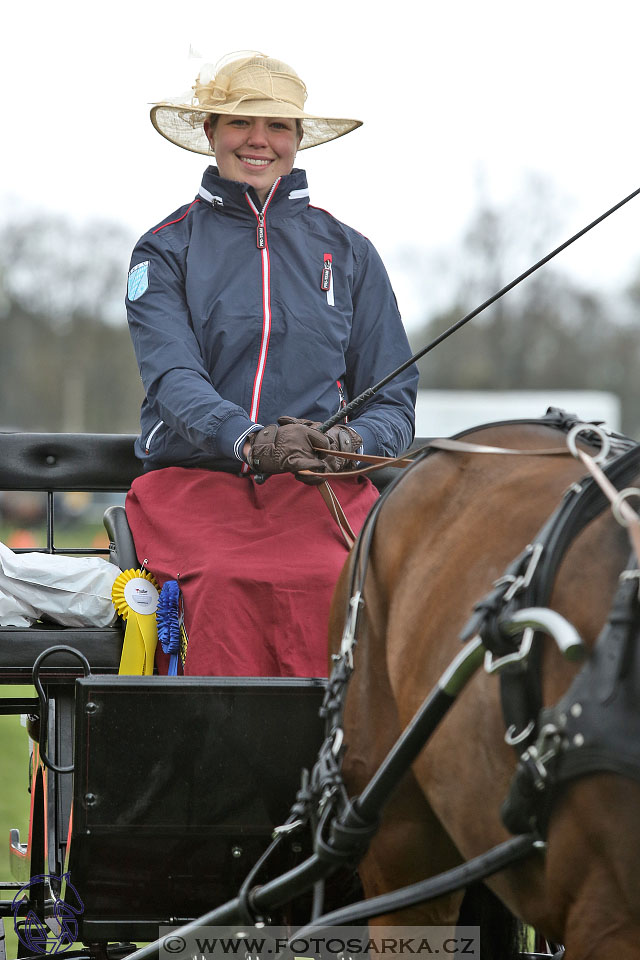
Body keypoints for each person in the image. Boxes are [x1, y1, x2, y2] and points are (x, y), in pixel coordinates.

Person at [124, 52, 418, 678]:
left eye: (278, 126)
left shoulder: (352, 253)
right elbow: (174, 380)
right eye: (239, 123)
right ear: (210, 133)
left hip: (317, 492)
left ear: (298, 139)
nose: (259, 140)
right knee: (227, 582)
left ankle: (344, 769)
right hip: (196, 483)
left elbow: (393, 399)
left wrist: (346, 443)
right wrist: (251, 441)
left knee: (339, 580)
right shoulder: (165, 248)